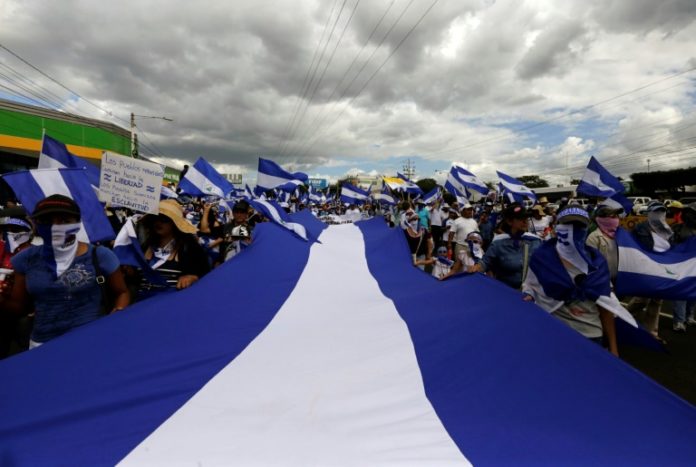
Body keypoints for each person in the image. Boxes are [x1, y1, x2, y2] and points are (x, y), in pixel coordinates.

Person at [2, 195, 129, 348]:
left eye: (64, 221)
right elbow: (18, 306)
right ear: (35, 224)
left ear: (77, 223)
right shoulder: (25, 259)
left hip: (90, 341)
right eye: (47, 221)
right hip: (43, 344)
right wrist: (2, 299)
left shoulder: (100, 255)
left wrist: (119, 310)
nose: (55, 227)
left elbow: (122, 292)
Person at [522, 206, 619, 356]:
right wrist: (529, 294)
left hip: (591, 335)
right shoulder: (542, 258)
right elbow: (530, 286)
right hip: (554, 334)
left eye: (578, 226)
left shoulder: (597, 263)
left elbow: (606, 308)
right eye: (568, 225)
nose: (573, 230)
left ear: (586, 229)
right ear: (557, 227)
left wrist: (614, 348)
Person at [137, 199, 210, 300]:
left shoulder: (189, 248)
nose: (159, 222)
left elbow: (206, 276)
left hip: (170, 305)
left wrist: (192, 277)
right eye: (156, 217)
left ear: (175, 223)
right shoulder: (144, 246)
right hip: (141, 304)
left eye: (164, 219)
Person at [626, 201, 673, 340]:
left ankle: (651, 332)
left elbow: (672, 249)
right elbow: (631, 245)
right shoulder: (640, 228)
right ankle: (625, 320)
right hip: (645, 269)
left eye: (661, 212)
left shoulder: (668, 230)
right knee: (642, 299)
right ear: (649, 213)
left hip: (661, 269)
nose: (659, 214)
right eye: (656, 212)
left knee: (656, 302)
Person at [468, 203, 542, 290]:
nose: (525, 221)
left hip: (531, 295)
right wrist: (476, 268)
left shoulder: (535, 241)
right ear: (509, 221)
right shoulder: (499, 243)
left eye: (526, 218)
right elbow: (485, 263)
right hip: (506, 292)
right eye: (520, 218)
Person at [0, 209, 34, 357]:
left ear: (27, 233)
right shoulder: (2, 250)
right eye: (6, 231)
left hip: (26, 314)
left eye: (15, 230)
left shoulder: (34, 253)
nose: (10, 234)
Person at [671, 202, 696, 331]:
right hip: (682, 265)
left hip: (694, 266)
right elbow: (671, 245)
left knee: (693, 291)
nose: (690, 216)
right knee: (681, 293)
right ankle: (679, 321)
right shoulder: (678, 228)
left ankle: (689, 316)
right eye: (688, 213)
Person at [585, 204, 622, 283]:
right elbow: (591, 263)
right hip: (604, 281)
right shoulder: (594, 238)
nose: (616, 219)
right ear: (602, 219)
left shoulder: (621, 235)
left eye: (616, 216)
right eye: (612, 217)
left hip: (621, 280)